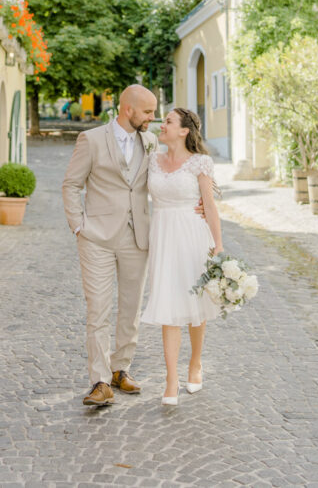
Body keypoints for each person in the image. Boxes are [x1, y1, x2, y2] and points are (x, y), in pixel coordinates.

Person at [62, 84, 158, 406]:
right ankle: (100, 381)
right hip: (97, 239)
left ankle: (121, 370)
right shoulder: (90, 140)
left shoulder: (151, 141)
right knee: (98, 309)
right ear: (128, 109)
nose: (152, 118)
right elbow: (71, 184)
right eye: (148, 112)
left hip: (137, 237)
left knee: (130, 309)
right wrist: (79, 226)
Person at [140, 108, 222, 406]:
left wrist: (219, 244)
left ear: (184, 130)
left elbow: (210, 205)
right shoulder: (152, 158)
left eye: (169, 122)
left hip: (192, 234)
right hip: (162, 236)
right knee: (168, 304)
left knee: (195, 304)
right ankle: (171, 378)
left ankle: (195, 363)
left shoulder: (200, 162)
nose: (162, 125)